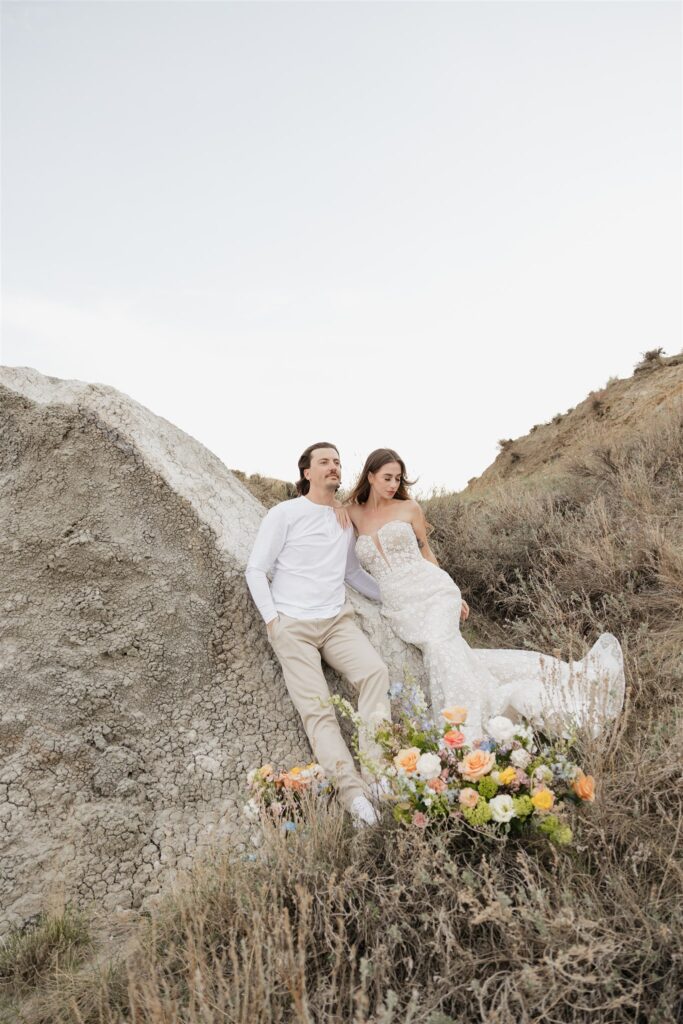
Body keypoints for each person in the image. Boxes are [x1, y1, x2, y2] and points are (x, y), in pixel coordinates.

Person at [336, 448, 625, 741]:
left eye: (398, 478)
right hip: (397, 604)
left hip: (433, 591)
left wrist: (454, 594)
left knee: (438, 647)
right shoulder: (351, 514)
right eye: (387, 478)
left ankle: (463, 731)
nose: (393, 484)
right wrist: (335, 506)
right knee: (457, 657)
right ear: (370, 476)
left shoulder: (409, 509)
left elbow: (427, 554)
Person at [245, 442, 391, 827]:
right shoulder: (285, 513)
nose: (333, 467)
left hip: (336, 621)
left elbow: (353, 574)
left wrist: (394, 597)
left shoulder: (343, 520)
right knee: (319, 710)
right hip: (292, 626)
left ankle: (377, 779)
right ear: (306, 472)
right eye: (324, 462)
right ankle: (355, 798)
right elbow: (256, 569)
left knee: (375, 673)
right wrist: (272, 620)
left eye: (338, 462)